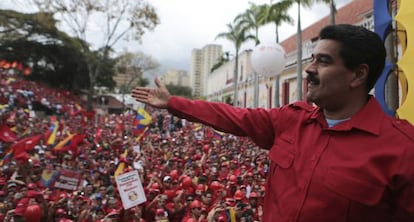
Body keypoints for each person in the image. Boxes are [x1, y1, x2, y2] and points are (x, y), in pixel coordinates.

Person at [131, 24, 414, 222]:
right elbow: (233, 117)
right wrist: (173, 103)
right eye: (312, 58)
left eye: (324, 61)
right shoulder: (291, 120)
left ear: (357, 75)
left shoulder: (402, 150)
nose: (309, 69)